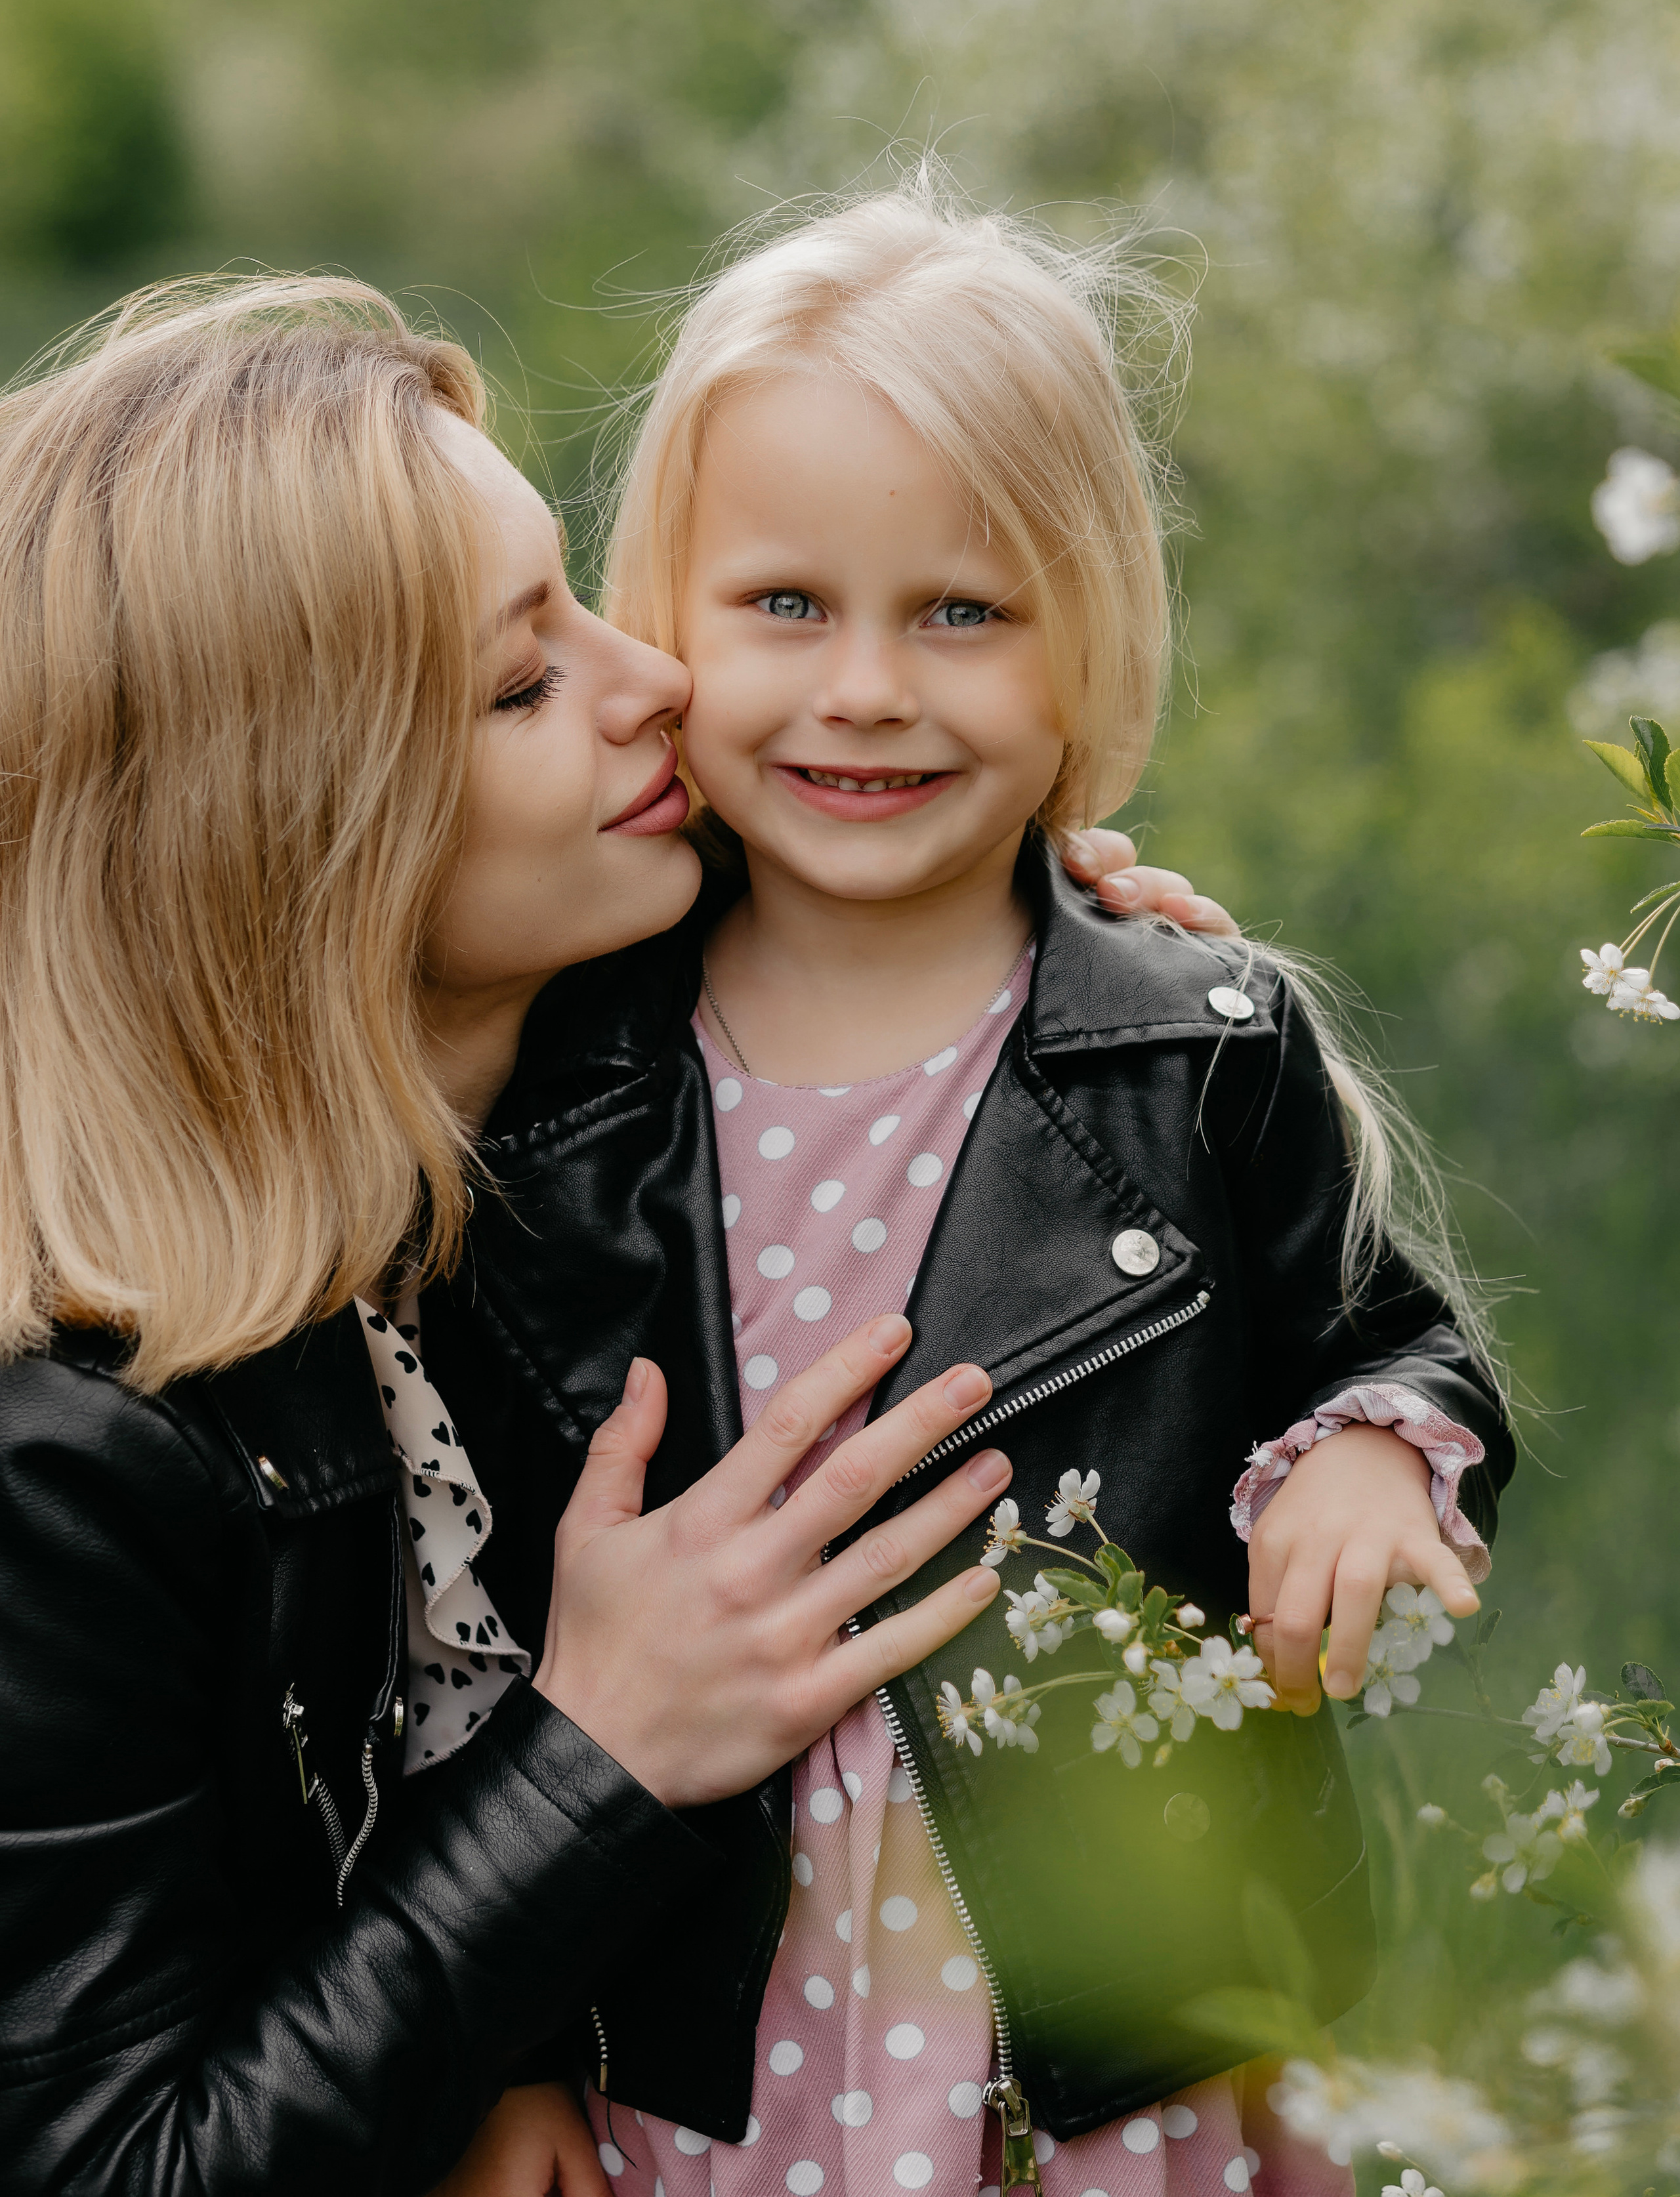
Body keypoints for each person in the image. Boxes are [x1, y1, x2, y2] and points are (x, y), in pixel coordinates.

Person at [0, 272, 1215, 2197]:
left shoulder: (562, 1158)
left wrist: (1017, 935)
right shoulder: (64, 1452)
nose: (649, 675)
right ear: (298, 835)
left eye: (580, 595)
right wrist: (597, 1758)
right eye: (523, 680)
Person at [424, 187, 1514, 2196]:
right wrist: (495, 2057)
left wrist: (1371, 1458)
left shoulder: (1193, 1046)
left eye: (960, 612)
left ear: (1086, 630)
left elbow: (1392, 1342)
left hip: (1114, 2053)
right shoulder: (552, 1081)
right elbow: (467, 1627)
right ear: (663, 618)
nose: (864, 691)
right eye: (781, 606)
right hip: (686, 2059)